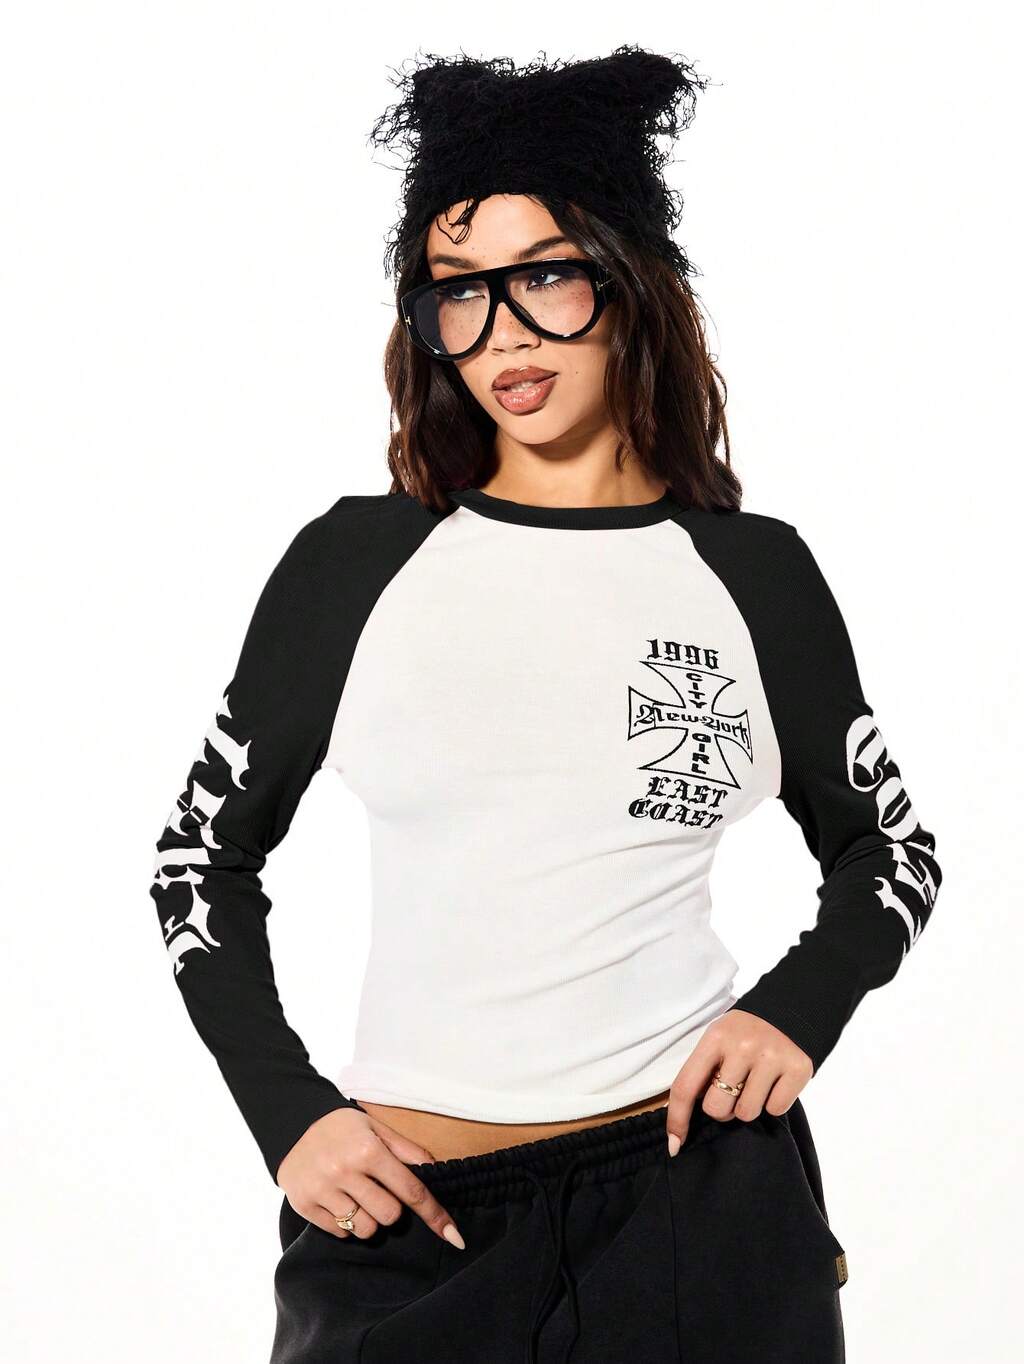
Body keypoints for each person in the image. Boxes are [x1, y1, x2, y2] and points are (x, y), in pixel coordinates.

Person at [149, 46, 942, 1363]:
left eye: (546, 276)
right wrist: (288, 1116)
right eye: (459, 290)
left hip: (699, 1209)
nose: (504, 331)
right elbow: (199, 860)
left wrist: (800, 1009)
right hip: (406, 1224)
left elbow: (890, 850)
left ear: (633, 286)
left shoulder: (754, 577)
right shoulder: (356, 565)